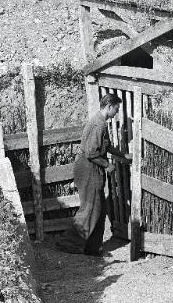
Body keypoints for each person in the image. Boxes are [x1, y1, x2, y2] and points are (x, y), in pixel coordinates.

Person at [56, 92, 131, 256]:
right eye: (116, 109)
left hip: (91, 167)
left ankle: (92, 248)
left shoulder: (101, 122)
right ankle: (68, 243)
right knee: (90, 207)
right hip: (87, 167)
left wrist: (123, 155)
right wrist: (107, 165)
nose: (117, 112)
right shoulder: (99, 125)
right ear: (109, 107)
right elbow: (91, 153)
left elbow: (106, 146)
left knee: (99, 208)